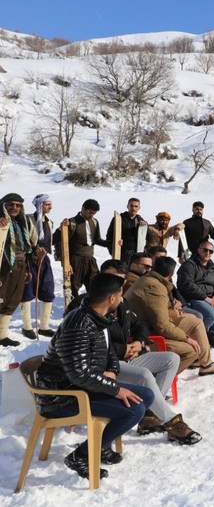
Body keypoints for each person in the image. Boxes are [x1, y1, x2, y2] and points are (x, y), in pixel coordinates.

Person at [34, 273, 154, 480]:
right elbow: (79, 374)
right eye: (120, 294)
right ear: (111, 299)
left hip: (79, 387)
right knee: (134, 410)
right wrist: (115, 389)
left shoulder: (98, 317)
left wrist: (113, 372)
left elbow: (109, 353)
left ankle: (101, 443)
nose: (122, 299)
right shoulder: (79, 326)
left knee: (146, 395)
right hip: (61, 396)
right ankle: (80, 455)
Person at [86, 259, 202, 444]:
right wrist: (123, 349)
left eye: (120, 282)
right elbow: (94, 346)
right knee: (145, 375)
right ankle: (171, 422)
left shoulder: (120, 305)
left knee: (171, 359)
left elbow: (139, 324)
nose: (118, 287)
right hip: (104, 366)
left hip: (124, 358)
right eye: (112, 280)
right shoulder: (88, 309)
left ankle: (150, 415)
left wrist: (140, 342)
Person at [125, 256, 214, 376]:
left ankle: (206, 364)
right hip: (144, 333)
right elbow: (162, 326)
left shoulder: (152, 281)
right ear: (171, 274)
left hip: (151, 324)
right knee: (192, 349)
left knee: (195, 321)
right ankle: (158, 381)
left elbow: (156, 311)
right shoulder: (154, 287)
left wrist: (174, 312)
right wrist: (186, 338)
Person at [176, 240, 214, 347]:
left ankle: (212, 334)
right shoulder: (189, 265)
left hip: (210, 298)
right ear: (199, 250)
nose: (208, 253)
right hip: (193, 298)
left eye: (211, 251)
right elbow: (186, 285)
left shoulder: (212, 267)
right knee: (213, 314)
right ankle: (196, 335)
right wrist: (205, 298)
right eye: (205, 250)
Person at [53, 199, 108, 299]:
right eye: (90, 212)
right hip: (76, 260)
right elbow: (62, 243)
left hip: (90, 259)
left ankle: (91, 309)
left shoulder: (94, 222)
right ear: (83, 209)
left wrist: (112, 244)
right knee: (73, 286)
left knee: (94, 285)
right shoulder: (72, 223)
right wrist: (65, 263)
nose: (92, 215)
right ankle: (72, 310)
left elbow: (97, 239)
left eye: (94, 213)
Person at [0, 193, 35, 347]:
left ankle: (1, 335)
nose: (15, 208)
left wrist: (26, 269)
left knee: (13, 299)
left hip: (20, 265)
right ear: (3, 206)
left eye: (18, 205)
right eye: (11, 205)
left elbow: (24, 248)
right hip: (4, 266)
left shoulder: (21, 223)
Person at [20, 193, 56, 339]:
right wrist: (34, 249)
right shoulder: (28, 219)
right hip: (29, 260)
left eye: (50, 204)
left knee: (48, 290)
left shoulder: (49, 222)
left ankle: (44, 326)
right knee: (27, 292)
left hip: (44, 260)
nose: (50, 207)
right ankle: (27, 327)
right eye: (47, 204)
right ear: (39, 205)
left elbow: (49, 241)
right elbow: (23, 239)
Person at [106, 198, 147, 264]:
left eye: (136, 206)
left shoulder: (140, 221)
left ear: (139, 208)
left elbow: (145, 237)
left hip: (135, 254)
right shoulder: (119, 219)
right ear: (127, 206)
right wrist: (112, 250)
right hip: (121, 252)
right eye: (131, 206)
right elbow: (109, 236)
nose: (133, 208)